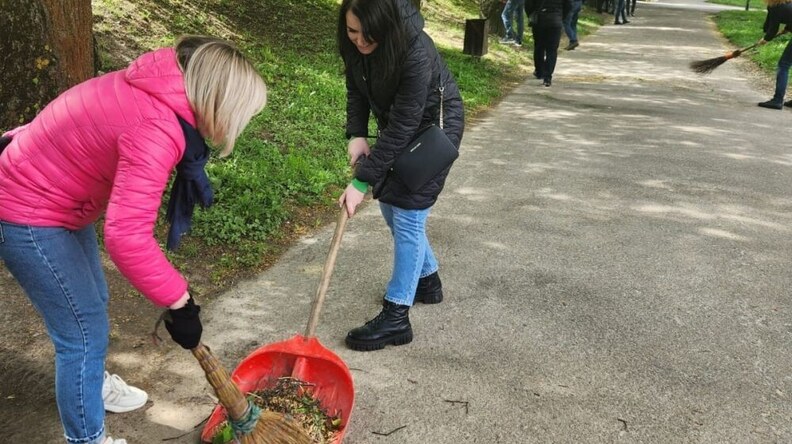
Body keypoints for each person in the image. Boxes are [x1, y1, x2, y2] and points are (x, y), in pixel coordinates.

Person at [0, 35, 267, 444]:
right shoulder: (157, 127)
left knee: (94, 303)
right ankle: (87, 439)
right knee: (82, 333)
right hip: (27, 210)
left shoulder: (157, 88)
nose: (237, 125)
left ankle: (89, 385)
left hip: (58, 197)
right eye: (239, 114)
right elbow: (126, 237)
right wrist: (181, 302)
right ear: (218, 100)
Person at [336, 0, 464, 352]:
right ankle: (428, 280)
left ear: (387, 27)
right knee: (391, 207)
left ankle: (396, 315)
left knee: (408, 214)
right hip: (399, 127)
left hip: (434, 130)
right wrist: (356, 133)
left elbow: (408, 123)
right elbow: (356, 90)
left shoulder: (415, 49)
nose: (360, 42)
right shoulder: (356, 44)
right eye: (351, 32)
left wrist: (362, 181)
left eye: (368, 35)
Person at [756, 0, 792, 110]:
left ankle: (777, 100)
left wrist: (765, 39)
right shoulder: (788, 4)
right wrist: (787, 29)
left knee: (784, 64)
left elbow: (772, 29)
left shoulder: (775, 7)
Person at [527, 0, 571, 86]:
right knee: (552, 50)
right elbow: (568, 5)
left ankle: (539, 71)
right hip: (555, 20)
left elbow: (528, 4)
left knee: (539, 46)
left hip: (539, 19)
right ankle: (547, 77)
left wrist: (532, 14)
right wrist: (561, 16)